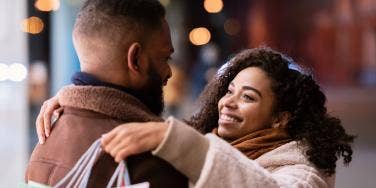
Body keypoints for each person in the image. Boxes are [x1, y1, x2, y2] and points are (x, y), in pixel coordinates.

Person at [37, 47, 355, 187]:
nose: (228, 103)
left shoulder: (301, 170)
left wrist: (185, 145)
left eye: (248, 97)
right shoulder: (210, 143)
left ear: (279, 119)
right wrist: (75, 98)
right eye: (228, 91)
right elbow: (136, 121)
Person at [25, 0, 188, 187]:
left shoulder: (44, 145)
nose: (169, 72)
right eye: (165, 58)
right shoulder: (149, 159)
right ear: (135, 58)